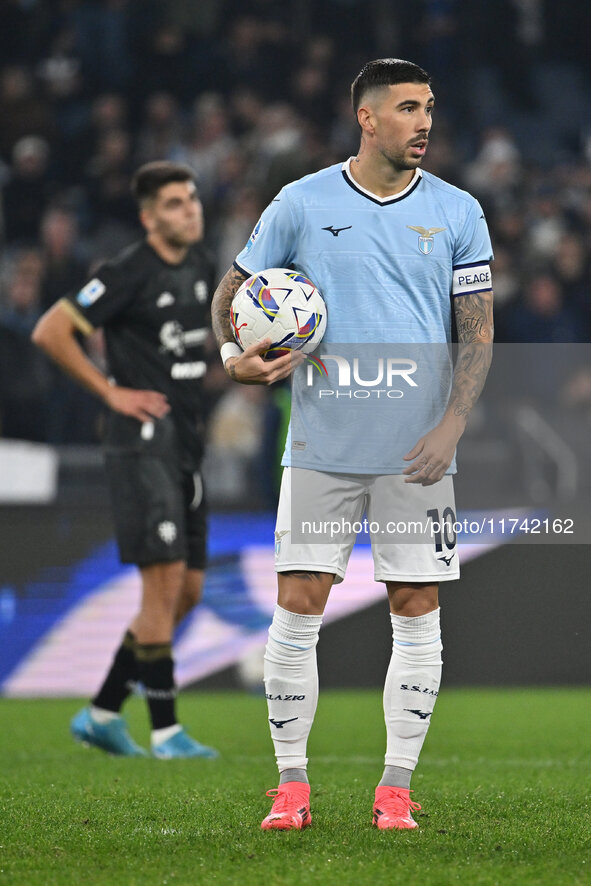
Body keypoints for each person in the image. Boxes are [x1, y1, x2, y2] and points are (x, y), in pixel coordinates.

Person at [211, 59, 494, 829]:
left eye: (429, 107)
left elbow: (476, 335)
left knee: (415, 603)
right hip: (322, 442)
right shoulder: (299, 203)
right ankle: (291, 787)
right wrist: (233, 359)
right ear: (365, 118)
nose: (424, 122)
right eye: (407, 108)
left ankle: (395, 787)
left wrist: (452, 423)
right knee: (298, 605)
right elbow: (232, 293)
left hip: (418, 451)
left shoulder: (459, 210)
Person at [32, 161, 218, 760]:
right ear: (147, 217)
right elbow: (52, 330)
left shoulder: (201, 264)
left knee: (187, 591)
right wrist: (110, 390)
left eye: (190, 199)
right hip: (140, 444)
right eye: (172, 203)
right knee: (160, 587)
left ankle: (103, 712)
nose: (188, 209)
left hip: (185, 445)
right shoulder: (127, 271)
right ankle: (166, 731)